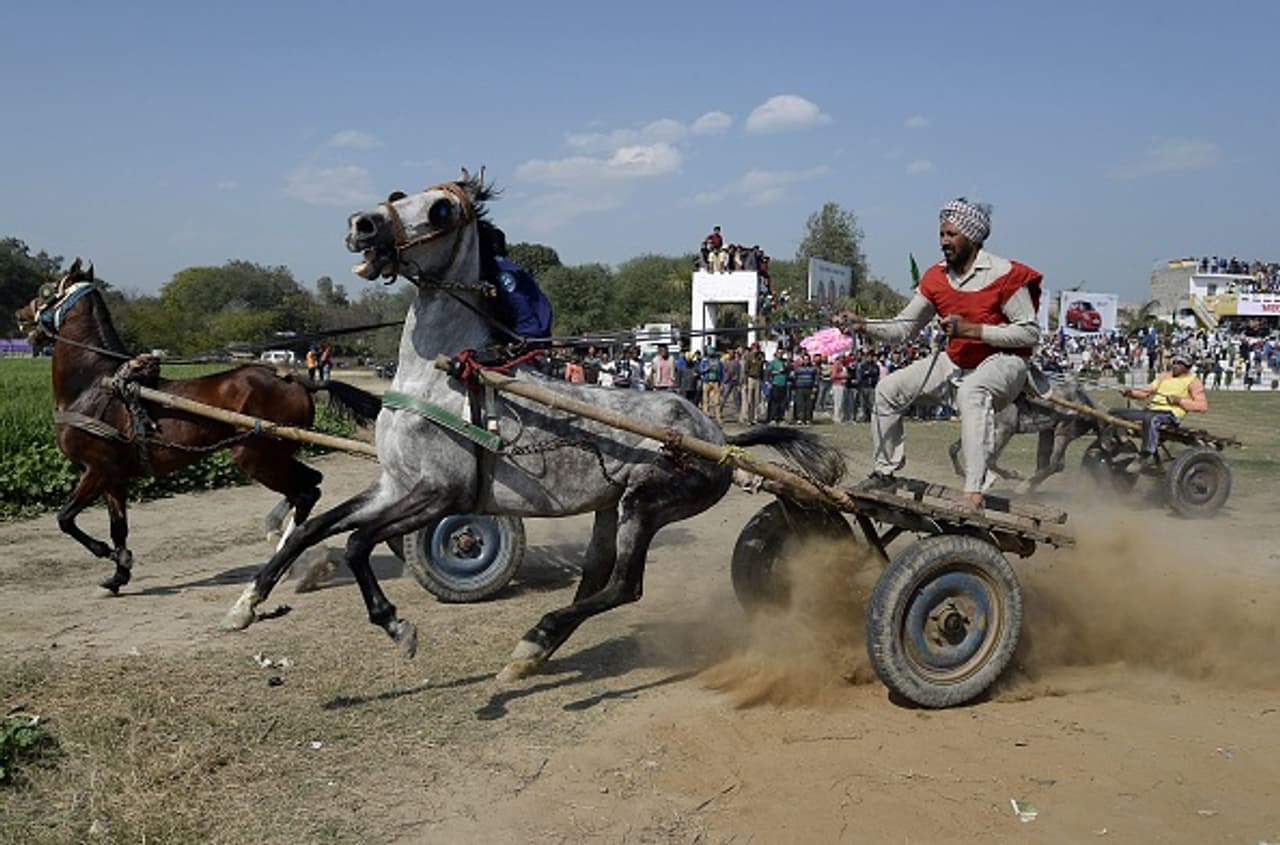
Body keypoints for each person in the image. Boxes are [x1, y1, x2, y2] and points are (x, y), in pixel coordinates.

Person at [841, 198, 1042, 510]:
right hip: (956, 362)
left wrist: (973, 330)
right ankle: (884, 473)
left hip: (1005, 363)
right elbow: (902, 328)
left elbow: (1030, 333)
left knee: (973, 392)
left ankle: (973, 492)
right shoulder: (935, 278)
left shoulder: (1005, 274)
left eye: (951, 234)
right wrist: (863, 325)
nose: (944, 241)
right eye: (941, 234)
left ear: (972, 237)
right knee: (888, 390)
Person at [1112, 352, 1207, 471]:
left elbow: (1202, 406)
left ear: (1187, 367)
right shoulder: (1164, 377)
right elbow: (1144, 392)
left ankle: (1145, 454)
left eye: (1179, 363)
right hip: (1151, 411)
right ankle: (1121, 444)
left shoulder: (1193, 382)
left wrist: (1179, 401)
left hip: (1170, 415)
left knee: (1151, 419)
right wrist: (1129, 392)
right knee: (1115, 413)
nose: (1175, 365)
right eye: (1174, 362)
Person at [491, 229, 553, 342]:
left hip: (530, 333)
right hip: (534, 330)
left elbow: (517, 302)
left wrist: (522, 334)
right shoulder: (506, 267)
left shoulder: (502, 270)